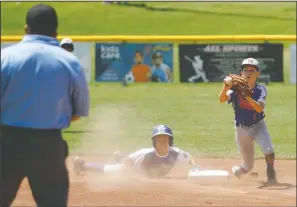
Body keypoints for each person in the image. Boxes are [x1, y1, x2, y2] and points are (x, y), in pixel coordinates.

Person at [1, 4, 90, 207]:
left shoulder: (5, 57)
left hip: (7, 143)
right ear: (55, 31)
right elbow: (79, 111)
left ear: (26, 29)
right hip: (48, 146)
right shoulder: (70, 62)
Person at [218, 58, 277, 184]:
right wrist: (225, 86)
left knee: (268, 149)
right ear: (241, 73)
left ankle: (271, 172)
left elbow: (259, 108)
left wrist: (247, 97)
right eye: (246, 70)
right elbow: (221, 99)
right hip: (241, 129)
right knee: (248, 166)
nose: (248, 73)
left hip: (258, 125)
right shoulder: (234, 89)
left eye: (252, 70)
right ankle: (238, 171)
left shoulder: (261, 89)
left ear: (258, 73)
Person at [73, 125, 200, 178]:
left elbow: (189, 157)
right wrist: (131, 174)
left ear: (170, 141)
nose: (162, 142)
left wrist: (195, 166)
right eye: (159, 140)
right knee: (110, 170)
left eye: (165, 139)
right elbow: (128, 162)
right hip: (133, 166)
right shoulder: (145, 153)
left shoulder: (177, 153)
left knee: (125, 158)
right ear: (154, 142)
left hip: (143, 168)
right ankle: (81, 164)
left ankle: (119, 155)